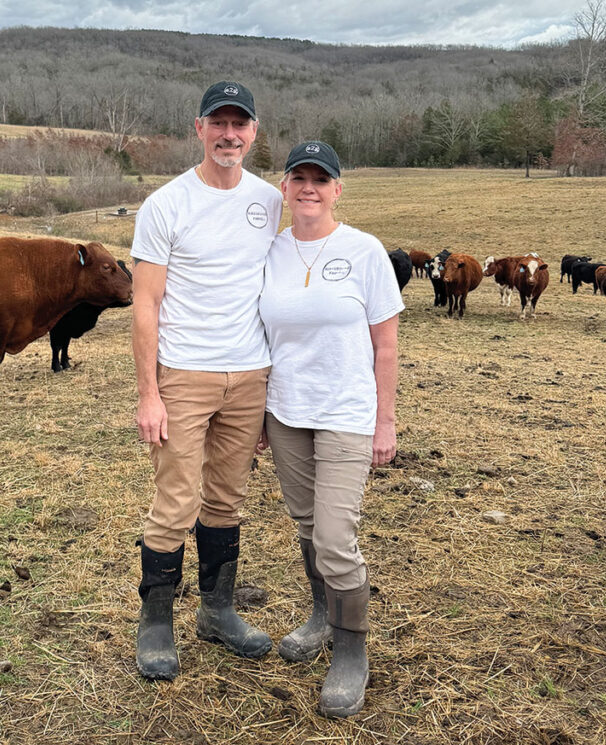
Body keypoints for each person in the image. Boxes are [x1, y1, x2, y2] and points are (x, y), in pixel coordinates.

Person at [130, 81, 283, 680]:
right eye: (217, 123)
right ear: (198, 129)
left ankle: (218, 611)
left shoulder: (270, 202)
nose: (229, 134)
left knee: (226, 499)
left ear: (253, 133)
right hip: (185, 374)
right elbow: (146, 305)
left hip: (250, 375)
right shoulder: (166, 204)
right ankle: (157, 623)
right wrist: (149, 393)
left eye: (239, 124)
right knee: (176, 499)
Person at [258, 141, 403, 717]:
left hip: (346, 412)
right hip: (286, 411)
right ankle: (321, 614)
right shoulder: (270, 250)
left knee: (336, 539)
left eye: (322, 179)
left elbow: (386, 344)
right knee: (306, 523)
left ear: (338, 189)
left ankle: (350, 652)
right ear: (286, 187)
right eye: (300, 178)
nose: (310, 188)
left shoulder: (365, 252)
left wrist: (384, 420)